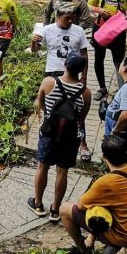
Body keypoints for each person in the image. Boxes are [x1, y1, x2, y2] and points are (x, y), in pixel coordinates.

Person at [59, 135, 127, 254]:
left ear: (104, 157)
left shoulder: (106, 182)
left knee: (65, 209)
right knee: (101, 205)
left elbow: (80, 205)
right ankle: (89, 241)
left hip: (124, 237)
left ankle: (83, 252)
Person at [29, 52, 91, 222]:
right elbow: (81, 118)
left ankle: (38, 204)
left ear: (65, 64)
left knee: (43, 167)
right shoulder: (86, 92)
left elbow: (40, 104)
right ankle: (55, 210)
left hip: (48, 133)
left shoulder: (49, 82)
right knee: (62, 171)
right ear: (81, 70)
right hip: (70, 137)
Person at [32, 4, 92, 161]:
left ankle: (82, 142)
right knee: (52, 109)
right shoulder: (47, 30)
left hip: (73, 74)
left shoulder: (78, 31)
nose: (70, 20)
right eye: (67, 18)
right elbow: (35, 50)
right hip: (53, 73)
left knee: (75, 111)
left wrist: (84, 77)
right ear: (58, 17)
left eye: (72, 17)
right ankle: (48, 134)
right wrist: (35, 41)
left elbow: (84, 54)